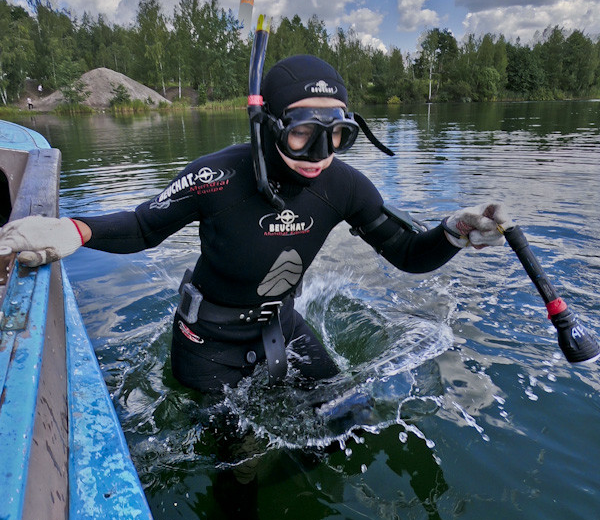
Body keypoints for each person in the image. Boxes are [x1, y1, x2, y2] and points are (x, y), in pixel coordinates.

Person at [0, 55, 512, 394]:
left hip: (278, 325)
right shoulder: (216, 175)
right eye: (303, 135)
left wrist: (453, 232)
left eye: (337, 136)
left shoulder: (344, 186)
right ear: (269, 124)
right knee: (236, 471)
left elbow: (406, 253)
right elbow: (142, 227)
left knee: (343, 418)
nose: (319, 155)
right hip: (206, 343)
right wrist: (76, 230)